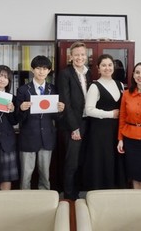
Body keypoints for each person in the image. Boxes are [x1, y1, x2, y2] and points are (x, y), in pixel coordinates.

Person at [16, 55, 65, 190]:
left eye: (45, 68)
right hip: (28, 137)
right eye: (38, 68)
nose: (41, 72)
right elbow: (17, 118)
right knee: (26, 174)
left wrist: (60, 110)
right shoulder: (23, 90)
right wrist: (21, 108)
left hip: (47, 138)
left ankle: (45, 201)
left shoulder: (53, 89)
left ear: (49, 71)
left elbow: (56, 117)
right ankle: (24, 201)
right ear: (32, 70)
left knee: (45, 174)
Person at [84, 54, 126, 190]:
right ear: (98, 68)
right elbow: (89, 110)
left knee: (115, 159)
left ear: (113, 67)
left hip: (117, 130)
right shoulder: (94, 86)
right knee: (101, 160)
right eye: (103, 65)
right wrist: (110, 114)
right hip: (100, 130)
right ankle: (99, 192)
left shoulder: (120, 84)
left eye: (109, 65)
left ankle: (114, 190)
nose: (107, 68)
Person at [57, 41, 91, 200]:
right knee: (72, 162)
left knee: (83, 160)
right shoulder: (65, 74)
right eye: (76, 55)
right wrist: (74, 128)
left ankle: (79, 192)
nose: (80, 57)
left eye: (82, 54)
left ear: (87, 56)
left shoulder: (88, 73)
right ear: (71, 57)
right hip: (73, 125)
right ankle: (69, 196)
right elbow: (66, 103)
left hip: (88, 122)